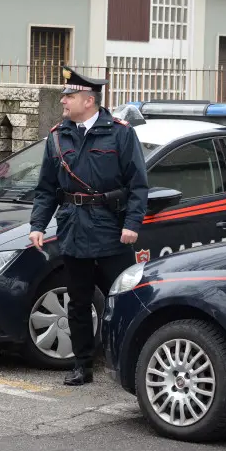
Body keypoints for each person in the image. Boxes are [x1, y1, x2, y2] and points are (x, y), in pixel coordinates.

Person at [28, 66, 149, 386]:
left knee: (125, 299)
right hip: (74, 229)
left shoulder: (121, 133)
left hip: (112, 230)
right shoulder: (57, 136)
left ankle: (129, 361)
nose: (64, 101)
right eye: (65, 95)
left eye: (69, 96)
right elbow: (46, 188)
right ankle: (83, 365)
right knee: (78, 301)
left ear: (89, 100)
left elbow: (138, 185)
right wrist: (38, 224)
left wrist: (132, 223)